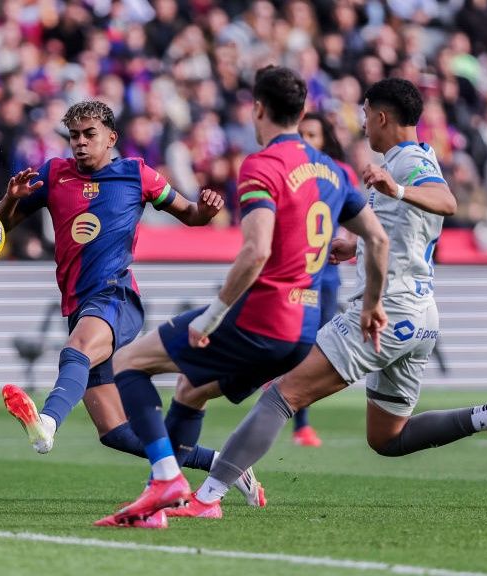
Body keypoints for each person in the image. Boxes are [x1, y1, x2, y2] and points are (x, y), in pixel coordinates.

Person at [189, 78, 487, 522]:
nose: (363, 124)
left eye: (366, 114)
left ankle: (206, 497)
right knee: (387, 438)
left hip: (385, 314)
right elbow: (407, 230)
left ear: (382, 117)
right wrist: (358, 247)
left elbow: (447, 202)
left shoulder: (407, 163)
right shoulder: (413, 158)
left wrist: (398, 190)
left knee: (281, 394)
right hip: (420, 317)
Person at [96, 66, 390, 526]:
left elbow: (256, 251)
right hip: (301, 333)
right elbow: (379, 239)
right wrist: (372, 304)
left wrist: (211, 317)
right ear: (302, 112)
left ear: (257, 108)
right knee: (190, 390)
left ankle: (167, 480)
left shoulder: (262, 165)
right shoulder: (332, 171)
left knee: (127, 364)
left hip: (261, 316)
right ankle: (166, 500)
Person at [0, 101, 264, 525]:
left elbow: (191, 215)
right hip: (78, 303)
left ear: (110, 138)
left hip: (116, 297)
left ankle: (47, 421)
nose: (80, 143)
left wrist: (207, 210)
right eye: (74, 136)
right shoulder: (52, 174)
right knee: (116, 433)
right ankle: (222, 463)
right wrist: (9, 202)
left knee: (77, 348)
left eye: (89, 134)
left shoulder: (137, 174)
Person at [290, 111, 362, 448]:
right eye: (301, 134)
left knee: (313, 344)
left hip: (325, 272)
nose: (305, 141)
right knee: (294, 343)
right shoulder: (290, 170)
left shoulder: (340, 173)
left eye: (313, 135)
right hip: (291, 270)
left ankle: (300, 422)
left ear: (325, 140)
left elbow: (361, 218)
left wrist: (351, 245)